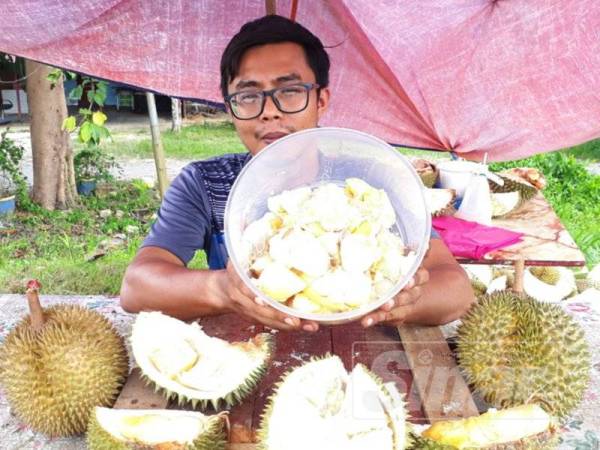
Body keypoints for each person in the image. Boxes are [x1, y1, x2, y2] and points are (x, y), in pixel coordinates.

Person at [120, 15, 475, 331]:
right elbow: (137, 288)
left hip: (366, 353)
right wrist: (224, 290)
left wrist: (400, 303)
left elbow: (456, 290)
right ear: (229, 108)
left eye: (289, 92)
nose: (269, 112)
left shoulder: (373, 181)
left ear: (321, 100)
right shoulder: (204, 184)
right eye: (247, 96)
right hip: (252, 351)